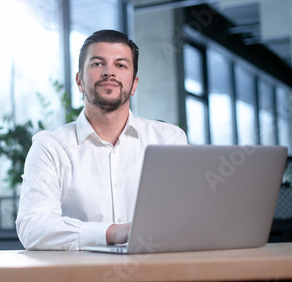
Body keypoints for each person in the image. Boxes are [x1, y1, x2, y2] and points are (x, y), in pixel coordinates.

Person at [15, 29, 188, 251]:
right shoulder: (49, 147)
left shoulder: (169, 139)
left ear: (134, 84)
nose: (109, 72)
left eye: (121, 65)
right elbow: (33, 227)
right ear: (79, 81)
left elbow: (185, 218)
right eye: (97, 64)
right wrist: (112, 232)